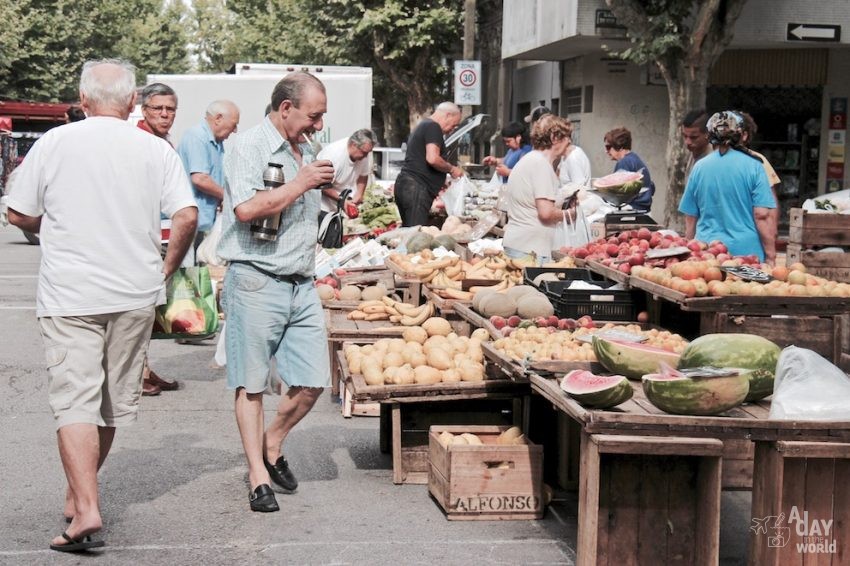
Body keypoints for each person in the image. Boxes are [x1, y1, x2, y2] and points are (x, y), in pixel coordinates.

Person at [6, 59, 197, 552]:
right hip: (134, 291)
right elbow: (186, 214)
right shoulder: (154, 149)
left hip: (70, 291)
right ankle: (79, 496)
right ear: (134, 103)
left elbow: (19, 211)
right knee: (109, 402)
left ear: (83, 100)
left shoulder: (54, 142)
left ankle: (85, 506)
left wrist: (59, 231)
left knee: (75, 399)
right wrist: (167, 268)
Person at [217, 71, 335, 513]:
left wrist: (330, 197)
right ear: (286, 108)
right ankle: (257, 475)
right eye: (313, 116)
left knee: (312, 381)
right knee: (251, 384)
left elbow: (301, 200)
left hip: (301, 281)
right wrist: (300, 183)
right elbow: (246, 208)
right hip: (256, 278)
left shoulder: (304, 148)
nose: (318, 126)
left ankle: (271, 443)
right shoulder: (246, 147)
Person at [679, 110, 776, 264]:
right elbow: (761, 215)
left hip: (707, 252)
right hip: (746, 254)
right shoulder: (755, 166)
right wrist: (771, 255)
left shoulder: (699, 167)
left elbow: (691, 217)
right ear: (741, 135)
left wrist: (690, 250)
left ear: (710, 135)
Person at [136, 82, 183, 395]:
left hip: (159, 234)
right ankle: (137, 375)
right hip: (141, 237)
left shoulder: (161, 139)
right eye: (158, 108)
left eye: (170, 110)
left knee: (150, 309)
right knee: (140, 309)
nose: (165, 114)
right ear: (144, 110)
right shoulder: (140, 140)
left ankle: (144, 369)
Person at [502, 114, 578, 264]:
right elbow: (546, 213)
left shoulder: (530, 160)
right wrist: (572, 214)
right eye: (566, 137)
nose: (569, 141)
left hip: (520, 245)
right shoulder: (541, 165)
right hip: (530, 250)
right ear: (554, 137)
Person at [176, 99, 240, 260]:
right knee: (188, 275)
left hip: (203, 223)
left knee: (201, 271)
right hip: (189, 222)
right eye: (233, 124)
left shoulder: (216, 143)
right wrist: (227, 196)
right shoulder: (197, 137)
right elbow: (200, 179)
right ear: (218, 118)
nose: (235, 130)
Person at [394, 102, 463, 226]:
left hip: (409, 186)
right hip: (416, 188)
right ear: (448, 115)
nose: (452, 130)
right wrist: (452, 169)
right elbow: (432, 158)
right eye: (454, 125)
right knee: (415, 235)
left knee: (409, 231)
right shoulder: (433, 127)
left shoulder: (424, 125)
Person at [738, 111, 781, 238]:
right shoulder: (709, 162)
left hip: (749, 232)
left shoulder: (757, 161)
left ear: (744, 135)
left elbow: (770, 203)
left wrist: (772, 229)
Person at [317, 128, 375, 216]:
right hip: (324, 207)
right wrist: (341, 200)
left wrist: (359, 194)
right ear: (353, 144)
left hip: (344, 202)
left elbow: (363, 175)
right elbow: (323, 185)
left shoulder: (363, 154)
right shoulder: (333, 155)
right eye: (364, 152)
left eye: (368, 153)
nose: (366, 156)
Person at [603, 127, 655, 211]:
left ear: (620, 146)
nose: (606, 151)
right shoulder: (635, 159)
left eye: (608, 147)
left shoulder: (624, 162)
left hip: (630, 210)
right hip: (643, 211)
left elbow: (618, 194)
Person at [681, 109, 713, 180]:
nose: (687, 142)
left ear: (707, 134)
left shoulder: (712, 161)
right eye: (685, 136)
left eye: (693, 137)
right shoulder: (690, 153)